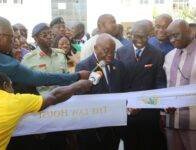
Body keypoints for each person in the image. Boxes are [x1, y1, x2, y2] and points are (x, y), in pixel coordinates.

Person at [0, 71, 92, 150]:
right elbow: (54, 97)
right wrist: (77, 86)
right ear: (5, 85)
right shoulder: (15, 101)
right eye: (11, 86)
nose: (13, 90)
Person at [0, 16, 90, 93]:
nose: (14, 42)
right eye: (11, 37)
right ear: (1, 37)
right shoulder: (6, 63)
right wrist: (77, 76)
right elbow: (38, 78)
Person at [116, 21, 167, 150]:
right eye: (135, 36)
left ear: (149, 36)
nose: (139, 40)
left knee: (148, 145)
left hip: (149, 111)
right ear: (130, 35)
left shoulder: (157, 54)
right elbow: (119, 82)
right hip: (127, 110)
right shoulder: (120, 52)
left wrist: (161, 110)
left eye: (143, 36)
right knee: (130, 145)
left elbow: (159, 82)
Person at [76, 33, 128, 150]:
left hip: (114, 127)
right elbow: (81, 95)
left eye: (113, 51)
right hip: (93, 129)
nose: (110, 55)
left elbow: (125, 90)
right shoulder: (83, 67)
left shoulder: (119, 66)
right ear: (95, 48)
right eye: (106, 51)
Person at [163, 19, 196, 150]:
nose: (172, 40)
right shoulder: (168, 56)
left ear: (189, 32)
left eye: (176, 35)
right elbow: (167, 86)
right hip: (172, 121)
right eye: (169, 36)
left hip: (194, 123)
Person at [22, 23, 69, 96]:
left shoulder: (60, 55)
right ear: (35, 38)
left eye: (51, 34)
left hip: (62, 99)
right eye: (44, 35)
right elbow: (25, 86)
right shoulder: (28, 59)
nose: (49, 37)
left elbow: (67, 78)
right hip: (42, 101)